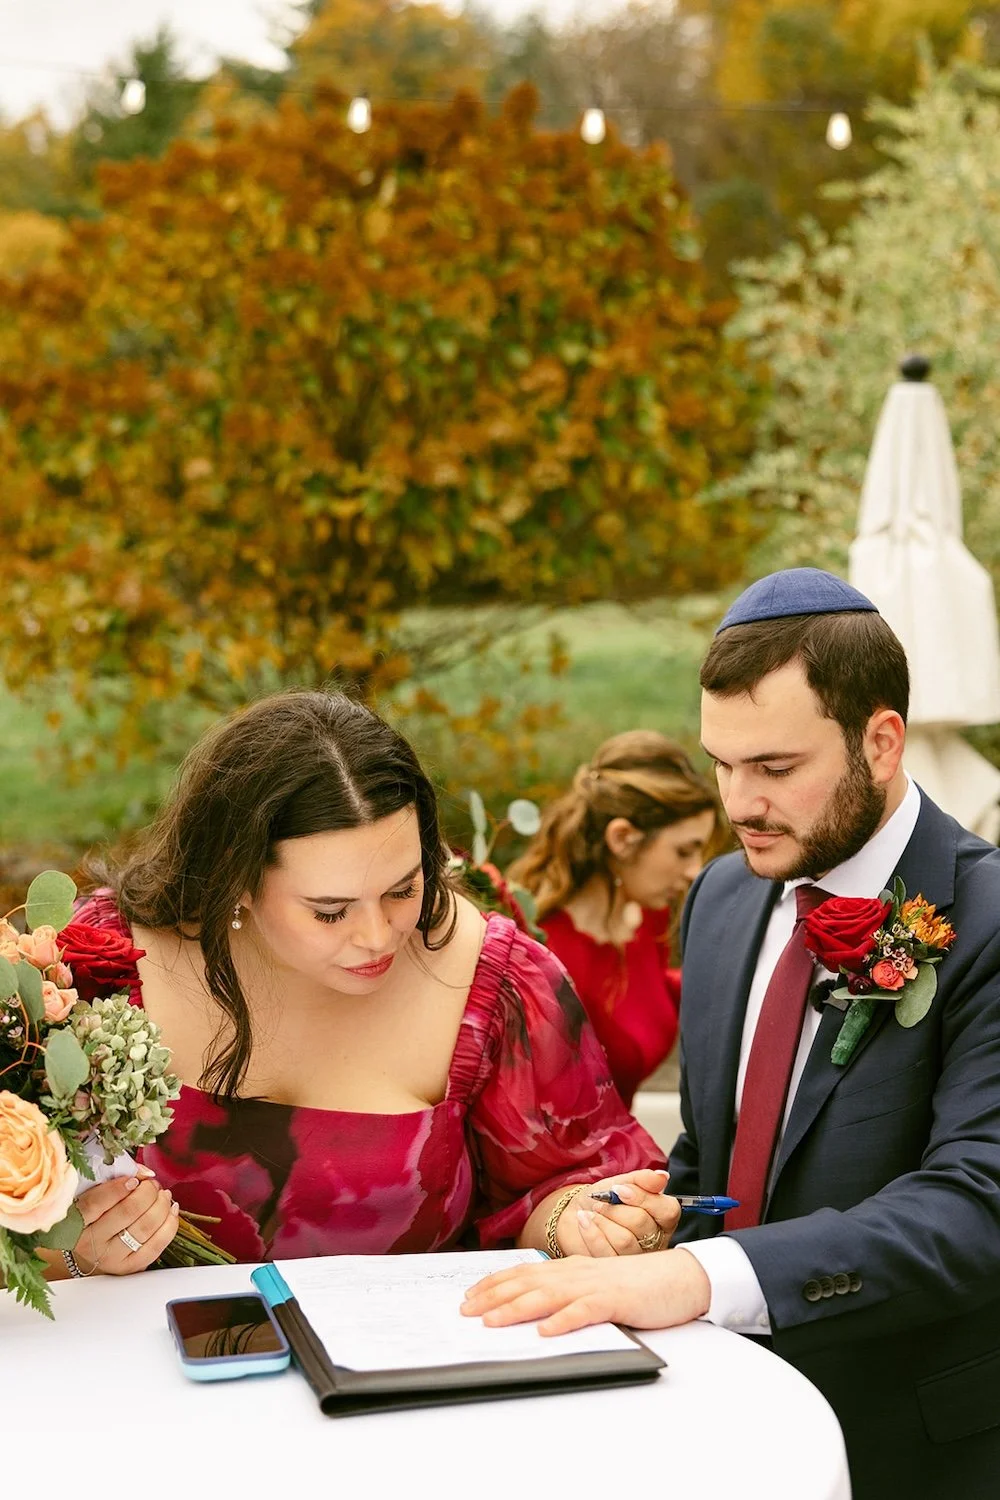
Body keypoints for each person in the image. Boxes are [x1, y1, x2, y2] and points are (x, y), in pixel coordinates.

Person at [462, 568, 1000, 1500]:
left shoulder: (987, 916)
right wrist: (654, 1215)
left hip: (915, 1446)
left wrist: (702, 1279)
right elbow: (722, 1150)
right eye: (723, 762)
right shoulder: (719, 898)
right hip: (710, 1421)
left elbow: (975, 1206)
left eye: (776, 768)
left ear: (881, 741)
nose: (738, 802)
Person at [49, 690, 674, 1280]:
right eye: (330, 910)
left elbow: (559, 1190)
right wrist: (76, 1260)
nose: (378, 936)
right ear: (233, 878)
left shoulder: (497, 981)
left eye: (404, 889)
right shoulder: (94, 968)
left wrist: (581, 1222)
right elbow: (21, 1247)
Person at [507, 732, 716, 1105]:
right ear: (622, 838)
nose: (693, 871)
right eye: (684, 851)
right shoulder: (544, 958)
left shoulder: (648, 915)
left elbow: (648, 990)